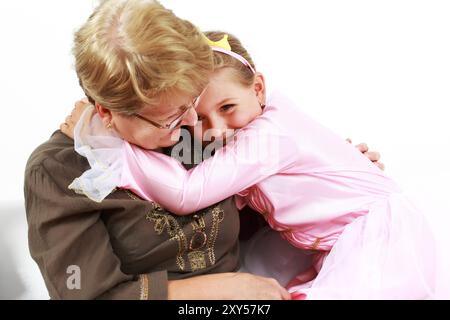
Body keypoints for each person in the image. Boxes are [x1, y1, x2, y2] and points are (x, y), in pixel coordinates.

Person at [25, 0, 383, 300]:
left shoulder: (196, 134)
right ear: (106, 112)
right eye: (170, 117)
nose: (192, 124)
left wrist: (324, 186)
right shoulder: (59, 171)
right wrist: (219, 290)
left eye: (191, 103)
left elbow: (250, 222)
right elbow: (83, 292)